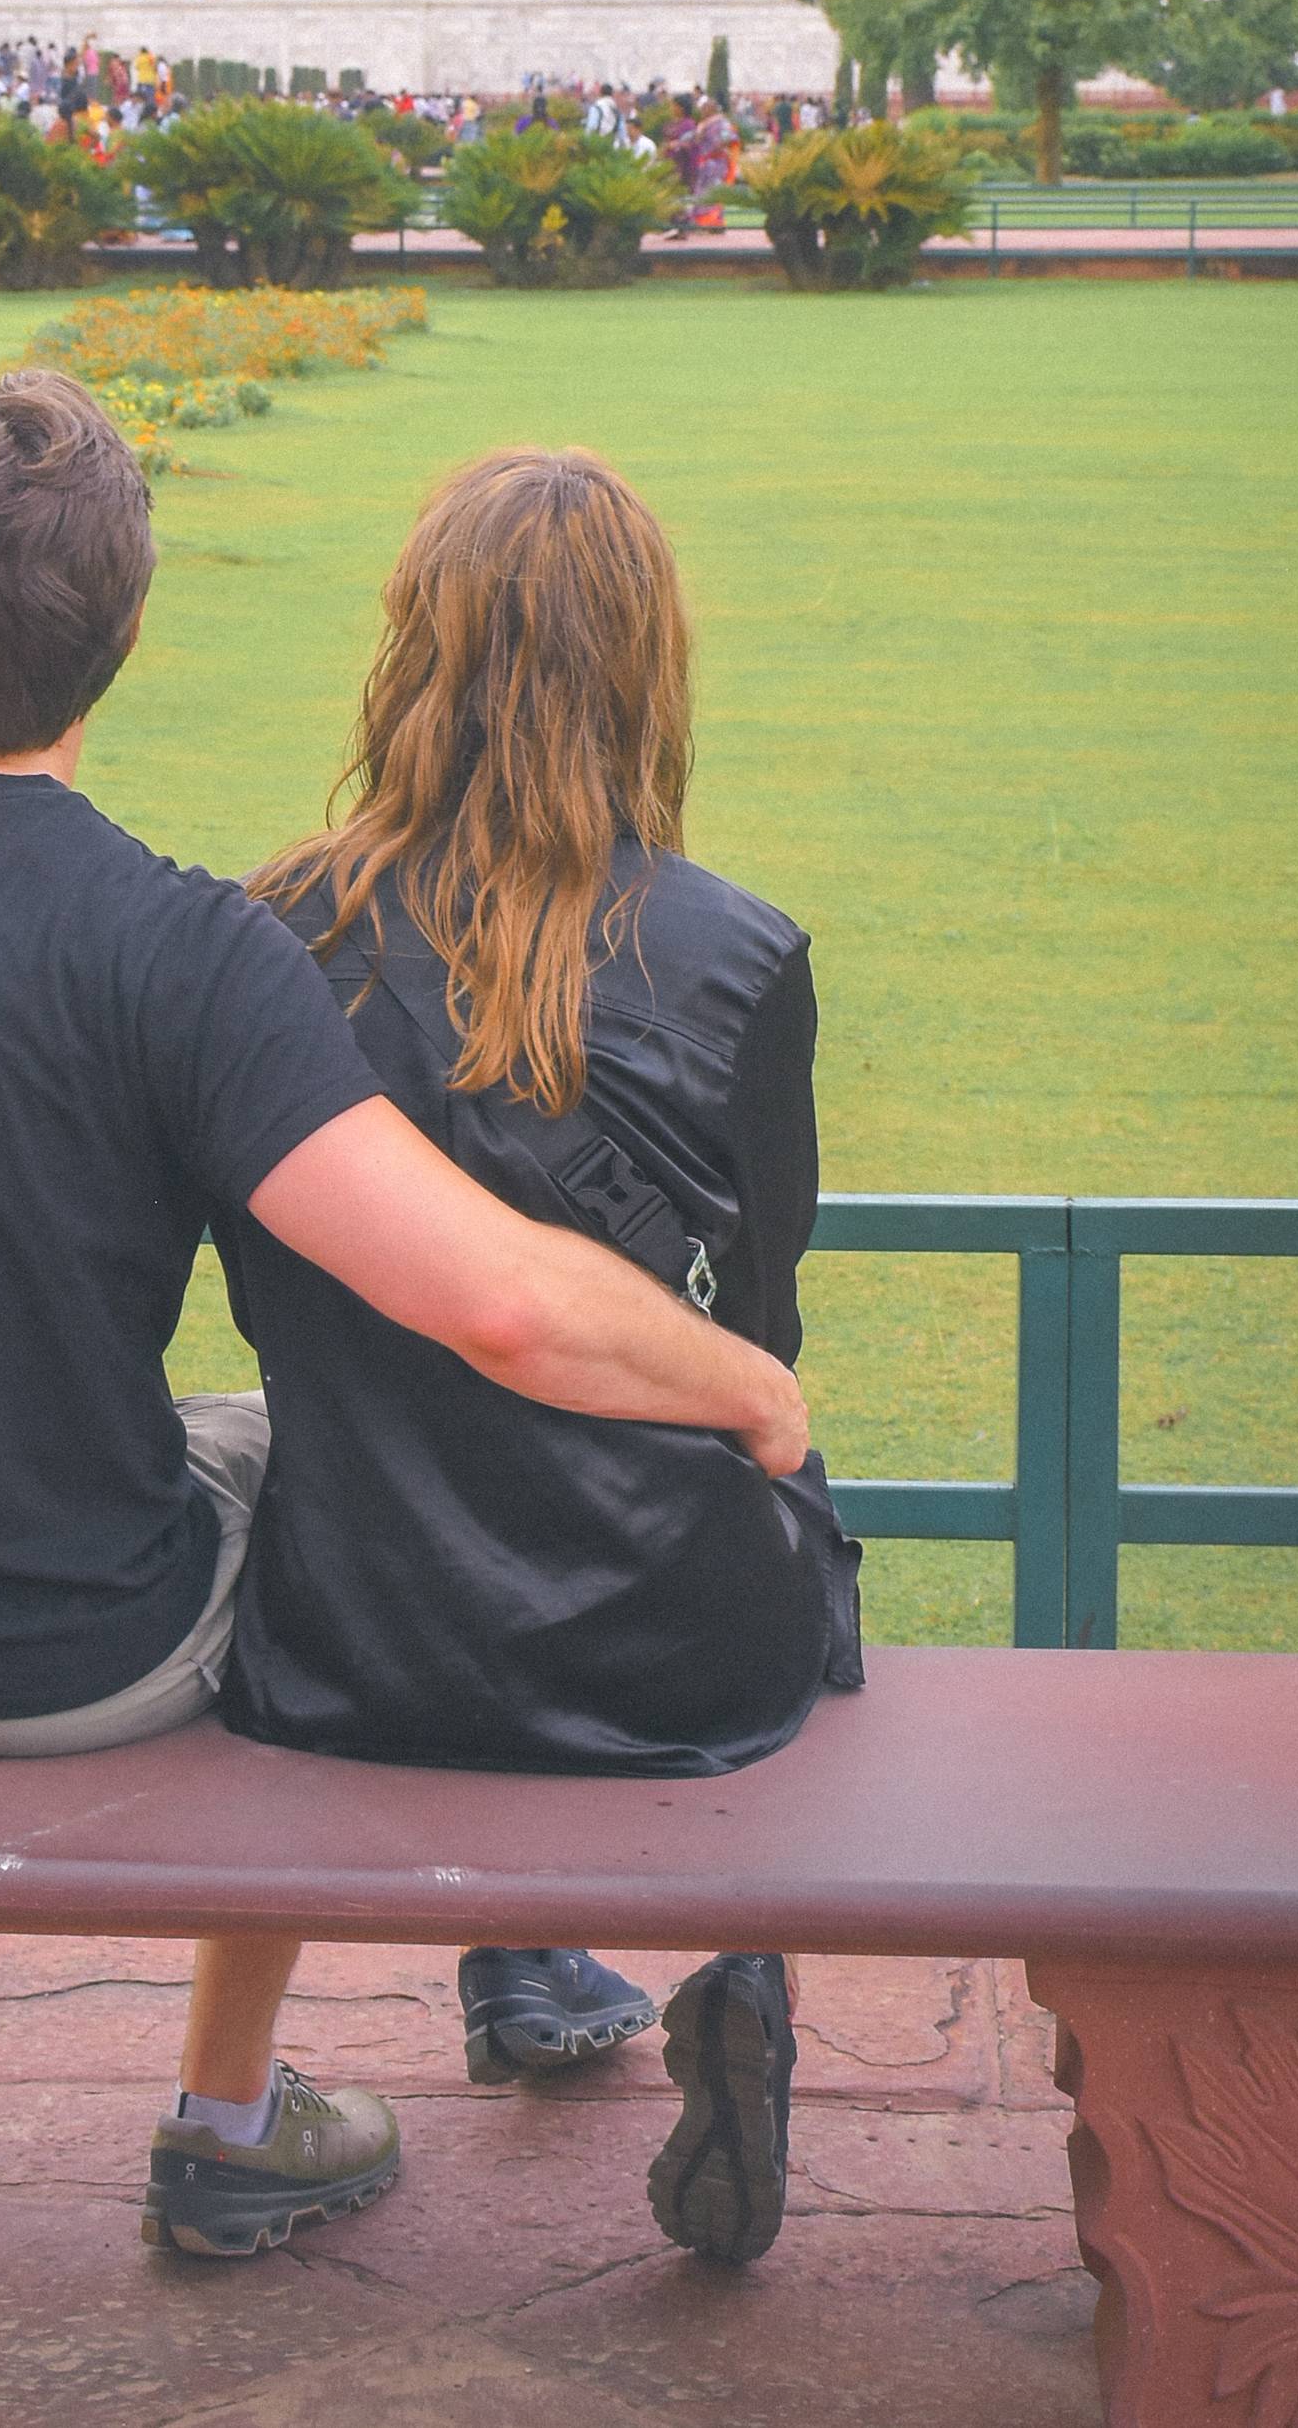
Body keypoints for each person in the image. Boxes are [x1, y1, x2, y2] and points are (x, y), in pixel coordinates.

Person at [0, 371, 808, 2265]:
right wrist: (744, 1379)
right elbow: (485, 1298)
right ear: (126, 624)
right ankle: (233, 2106)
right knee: (279, 1452)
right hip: (78, 1639)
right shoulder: (181, 946)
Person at [221, 448, 860, 2266]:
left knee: (390, 1433)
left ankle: (499, 1969)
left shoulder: (276, 930)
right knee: (770, 1480)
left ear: (414, 648)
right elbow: (759, 1339)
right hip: (671, 1652)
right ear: (649, 659)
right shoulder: (736, 951)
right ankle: (732, 1973)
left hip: (353, 1618)